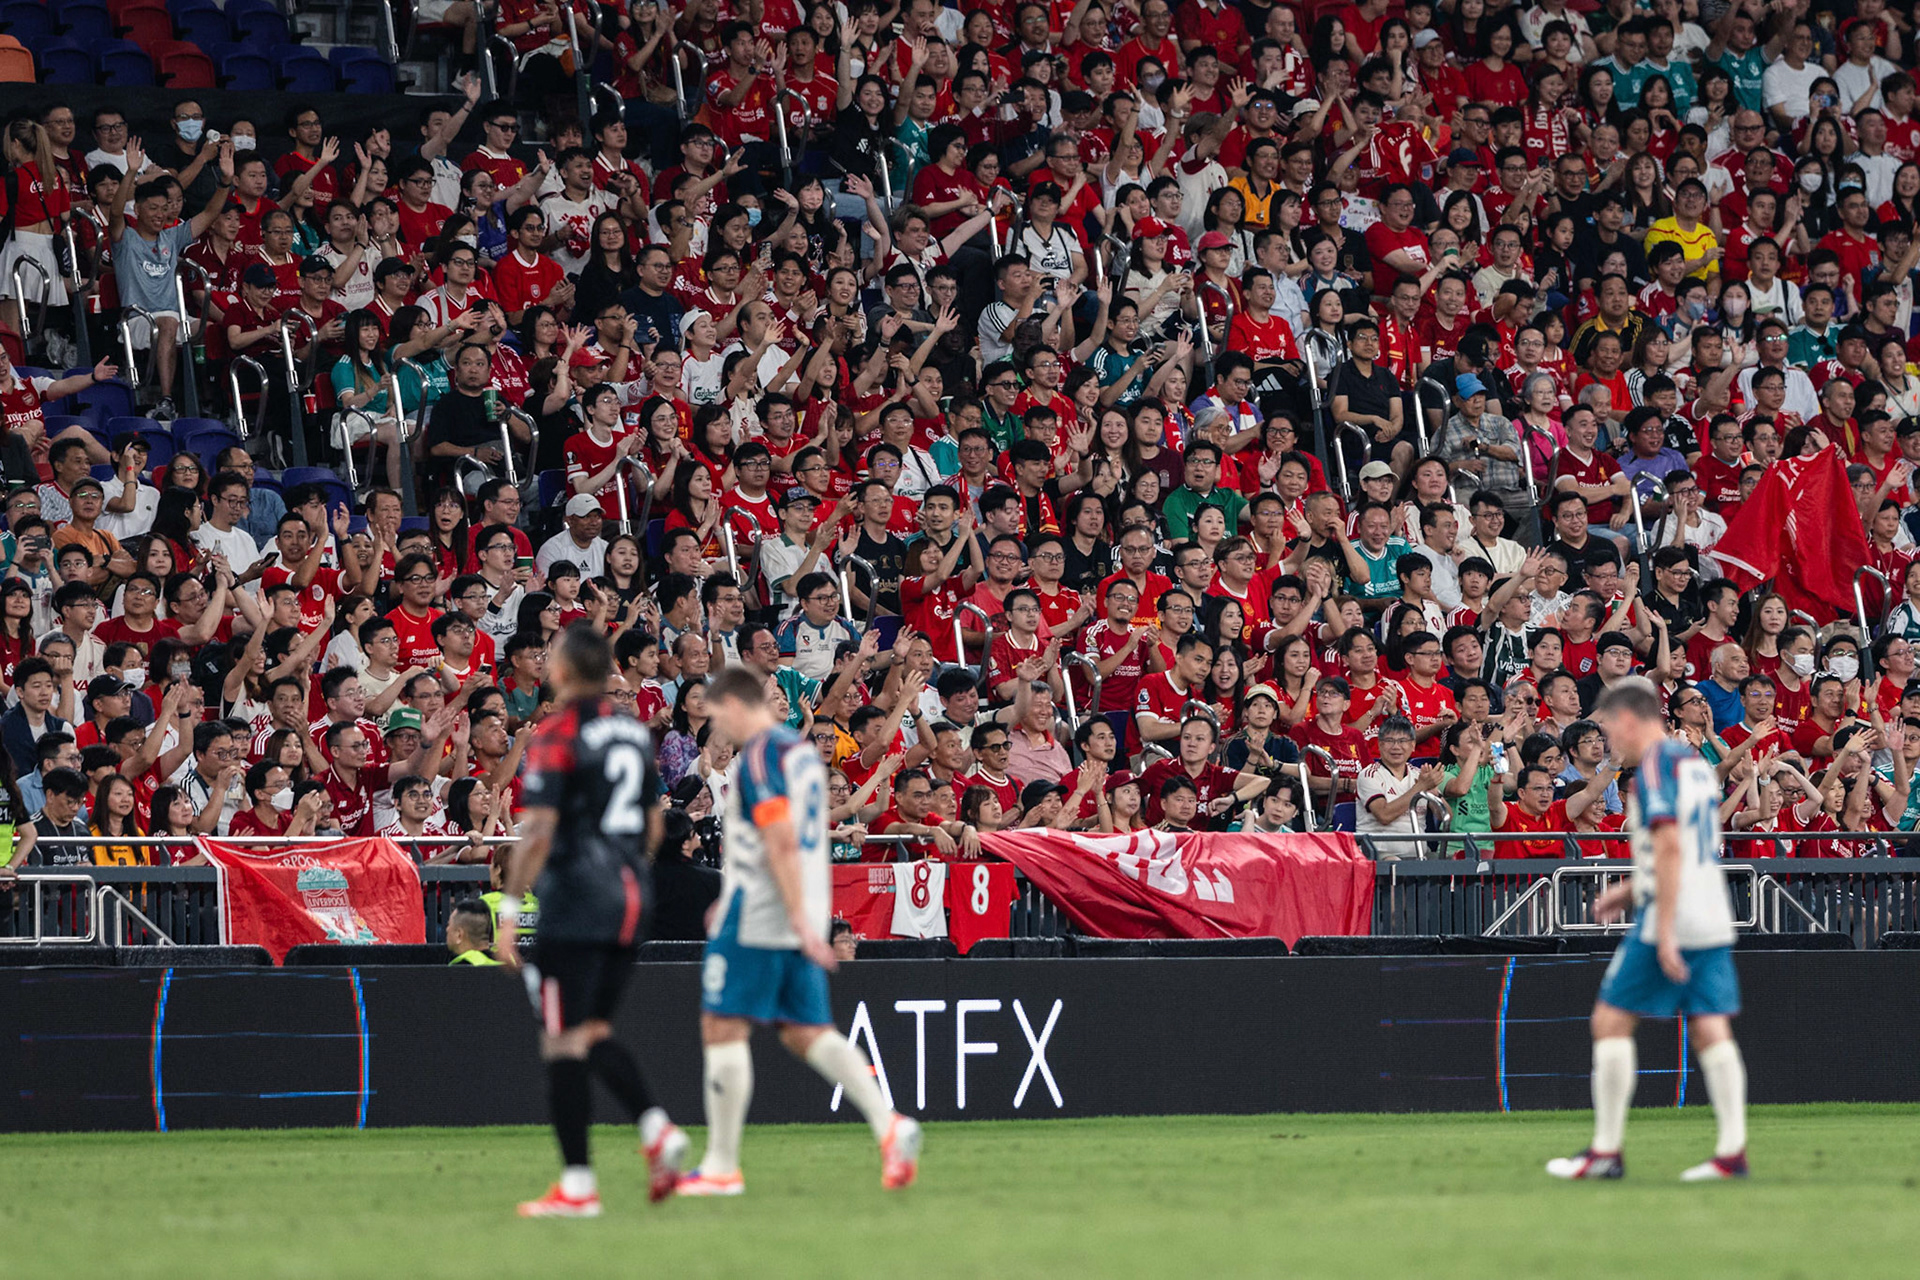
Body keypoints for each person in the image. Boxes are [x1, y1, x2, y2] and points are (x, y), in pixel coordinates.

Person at [683, 666, 923, 1197]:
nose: (717, 726)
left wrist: (782, 913)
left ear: (736, 706)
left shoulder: (762, 758)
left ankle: (721, 1166)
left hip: (765, 910)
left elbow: (779, 838)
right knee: (805, 1030)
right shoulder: (801, 757)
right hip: (804, 905)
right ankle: (889, 1127)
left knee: (722, 1026)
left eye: (718, 714)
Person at [495, 624, 689, 1217]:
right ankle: (656, 1131)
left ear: (563, 672)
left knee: (560, 1040)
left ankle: (580, 1184)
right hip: (632, 898)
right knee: (591, 1031)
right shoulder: (633, 734)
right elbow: (656, 822)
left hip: (577, 900)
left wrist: (509, 909)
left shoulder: (558, 733)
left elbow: (542, 828)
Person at [1546, 677, 1749, 1183]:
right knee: (1709, 1028)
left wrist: (1661, 925)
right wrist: (1630, 887)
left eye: (1610, 727)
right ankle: (1731, 1153)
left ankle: (1606, 1151)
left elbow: (1670, 847)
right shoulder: (1694, 766)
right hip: (1711, 911)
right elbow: (1686, 842)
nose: (1610, 740)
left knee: (1611, 1021)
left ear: (1631, 719)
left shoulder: (1656, 766)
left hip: (1672, 915)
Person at [446, 899, 502, 966]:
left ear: (459, 935)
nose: (447, 929)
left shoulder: (460, 969)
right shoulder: (509, 963)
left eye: (449, 924)